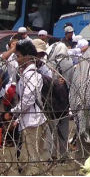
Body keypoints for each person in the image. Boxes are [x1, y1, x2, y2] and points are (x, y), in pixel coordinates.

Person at [11, 40, 48, 174]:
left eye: (19, 56)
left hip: (33, 123)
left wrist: (14, 111)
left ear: (27, 57)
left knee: (32, 162)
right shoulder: (27, 74)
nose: (17, 59)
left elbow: (28, 99)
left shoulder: (31, 75)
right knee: (29, 159)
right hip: (30, 121)